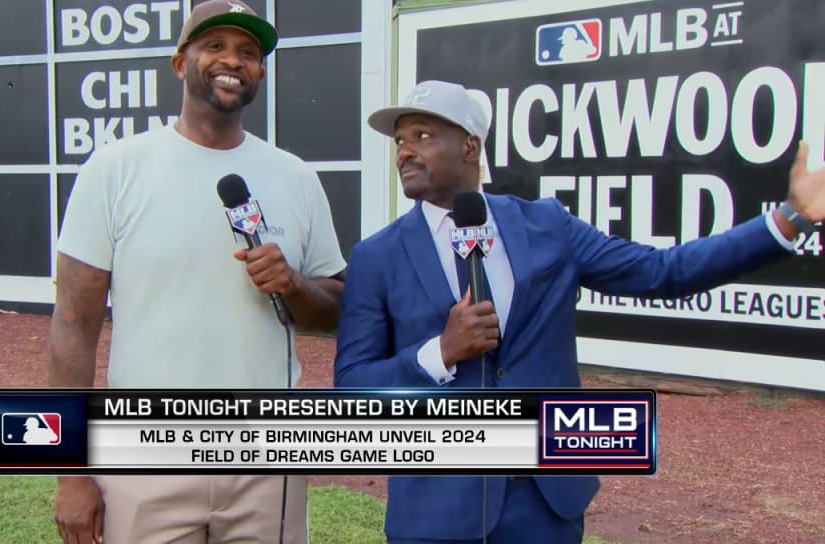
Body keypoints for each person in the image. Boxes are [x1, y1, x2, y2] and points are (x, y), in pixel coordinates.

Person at [333, 79, 825, 544]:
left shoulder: (547, 226)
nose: (405, 152)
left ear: (469, 147)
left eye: (422, 135)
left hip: (546, 503)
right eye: (399, 141)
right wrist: (439, 354)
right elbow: (354, 389)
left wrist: (786, 219)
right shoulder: (378, 257)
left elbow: (661, 273)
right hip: (435, 512)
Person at [49, 0, 347, 544]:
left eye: (249, 52)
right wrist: (70, 471)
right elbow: (73, 325)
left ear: (260, 71)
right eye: (215, 46)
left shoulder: (296, 177)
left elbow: (336, 308)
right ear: (181, 63)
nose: (233, 60)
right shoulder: (114, 170)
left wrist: (295, 283)